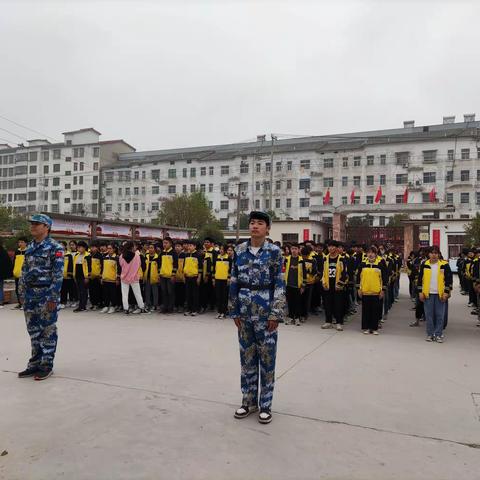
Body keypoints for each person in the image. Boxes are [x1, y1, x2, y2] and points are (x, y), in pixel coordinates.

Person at [230, 211, 285, 424]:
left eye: (260, 223)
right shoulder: (239, 250)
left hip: (266, 313)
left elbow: (279, 284)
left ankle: (266, 405)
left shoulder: (274, 252)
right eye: (252, 223)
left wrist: (276, 313)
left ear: (268, 229)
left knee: (267, 360)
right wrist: (233, 310)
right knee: (247, 359)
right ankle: (248, 401)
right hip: (244, 313)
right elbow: (233, 281)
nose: (255, 226)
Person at [17, 214, 64, 380]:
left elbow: (57, 275)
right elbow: (24, 272)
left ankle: (46, 365)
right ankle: (34, 364)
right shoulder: (30, 247)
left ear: (46, 227)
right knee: (33, 331)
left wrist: (52, 298)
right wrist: (21, 293)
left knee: (47, 331)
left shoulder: (55, 247)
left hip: (46, 295)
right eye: (32, 224)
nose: (33, 227)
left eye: (37, 224)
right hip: (30, 296)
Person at [417, 246, 453, 343]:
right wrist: (420, 292)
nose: (434, 255)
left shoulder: (444, 265)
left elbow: (449, 280)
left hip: (440, 294)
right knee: (429, 315)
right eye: (432, 253)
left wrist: (446, 292)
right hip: (428, 294)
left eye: (436, 253)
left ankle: (438, 334)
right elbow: (420, 280)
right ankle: (430, 334)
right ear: (428, 254)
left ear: (439, 254)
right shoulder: (424, 264)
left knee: (440, 315)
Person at [357, 246, 388, 335]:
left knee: (375, 311)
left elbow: (384, 278)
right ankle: (366, 328)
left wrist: (383, 290)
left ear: (375, 254)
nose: (370, 254)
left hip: (376, 292)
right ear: (366, 254)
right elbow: (359, 277)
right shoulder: (362, 264)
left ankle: (374, 328)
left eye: (372, 252)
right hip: (365, 291)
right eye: (369, 252)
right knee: (366, 311)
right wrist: (359, 289)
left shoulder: (380, 264)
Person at [321, 240, 348, 331]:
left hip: (337, 286)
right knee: (327, 304)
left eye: (333, 246)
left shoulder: (341, 259)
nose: (331, 248)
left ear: (336, 248)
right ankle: (328, 321)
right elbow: (323, 272)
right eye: (329, 246)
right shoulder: (325, 258)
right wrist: (324, 283)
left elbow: (344, 273)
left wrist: (340, 284)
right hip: (328, 285)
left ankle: (339, 322)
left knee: (338, 305)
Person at [118, 241, 146, 314]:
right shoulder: (137, 256)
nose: (135, 247)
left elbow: (121, 265)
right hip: (134, 277)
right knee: (138, 294)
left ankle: (126, 309)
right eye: (134, 246)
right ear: (131, 247)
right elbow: (139, 265)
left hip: (124, 277)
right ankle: (142, 307)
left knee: (124, 294)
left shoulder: (121, 256)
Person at [284, 243, 306, 326]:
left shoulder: (301, 260)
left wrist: (303, 285)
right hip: (288, 284)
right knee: (290, 302)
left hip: (298, 285)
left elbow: (304, 273)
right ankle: (290, 317)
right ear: (290, 250)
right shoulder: (287, 259)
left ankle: (297, 318)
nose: (294, 250)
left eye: (295, 249)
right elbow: (284, 271)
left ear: (298, 250)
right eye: (292, 249)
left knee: (298, 302)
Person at [183, 239, 203, 316]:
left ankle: (195, 310)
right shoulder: (186, 255)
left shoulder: (198, 255)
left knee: (195, 294)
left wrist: (199, 277)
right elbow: (185, 266)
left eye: (191, 245)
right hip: (187, 277)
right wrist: (184, 276)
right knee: (188, 294)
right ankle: (189, 309)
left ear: (195, 246)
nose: (189, 247)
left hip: (195, 277)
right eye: (188, 245)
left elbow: (200, 267)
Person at [212, 244, 232, 319]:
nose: (221, 250)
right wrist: (213, 278)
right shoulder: (216, 258)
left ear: (225, 250)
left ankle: (223, 312)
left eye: (222, 249)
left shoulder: (229, 258)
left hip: (225, 280)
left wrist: (229, 278)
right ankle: (219, 312)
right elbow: (214, 269)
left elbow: (230, 270)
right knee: (218, 296)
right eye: (220, 249)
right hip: (217, 279)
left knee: (224, 297)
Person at [159, 237, 178, 314]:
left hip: (170, 276)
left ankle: (171, 308)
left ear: (170, 244)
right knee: (164, 292)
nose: (164, 244)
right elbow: (159, 264)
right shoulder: (162, 253)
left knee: (170, 292)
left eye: (166, 243)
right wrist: (159, 274)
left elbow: (176, 265)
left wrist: (173, 275)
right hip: (163, 276)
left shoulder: (173, 253)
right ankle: (165, 307)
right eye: (164, 243)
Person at [100, 243, 120, 314]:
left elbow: (118, 269)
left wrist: (117, 278)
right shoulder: (104, 257)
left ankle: (113, 306)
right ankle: (106, 306)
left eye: (110, 248)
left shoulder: (117, 258)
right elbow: (102, 268)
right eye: (108, 248)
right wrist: (101, 277)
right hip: (105, 278)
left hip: (113, 280)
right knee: (105, 294)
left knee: (113, 294)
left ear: (114, 249)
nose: (109, 250)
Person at [73, 241, 91, 313]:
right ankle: (80, 305)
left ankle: (83, 306)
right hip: (77, 276)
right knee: (79, 292)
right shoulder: (76, 255)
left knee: (83, 292)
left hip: (84, 276)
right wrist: (74, 275)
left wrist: (87, 277)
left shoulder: (88, 255)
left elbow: (89, 267)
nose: (78, 248)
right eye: (78, 247)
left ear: (84, 248)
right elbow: (75, 266)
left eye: (80, 247)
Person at [12, 237, 28, 309]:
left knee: (24, 289)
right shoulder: (17, 251)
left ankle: (25, 303)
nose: (20, 244)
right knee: (17, 289)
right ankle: (20, 303)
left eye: (22, 242)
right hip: (17, 273)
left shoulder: (28, 251)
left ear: (26, 243)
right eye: (19, 242)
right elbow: (14, 262)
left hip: (25, 274)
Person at [144, 243, 160, 311]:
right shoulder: (146, 256)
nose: (150, 249)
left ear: (155, 249)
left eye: (152, 248)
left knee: (155, 292)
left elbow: (159, 268)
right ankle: (148, 305)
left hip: (154, 277)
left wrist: (159, 276)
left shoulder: (157, 257)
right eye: (149, 248)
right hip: (147, 277)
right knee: (147, 292)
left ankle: (155, 305)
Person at [88, 242, 103, 310]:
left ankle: (97, 304)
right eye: (91, 247)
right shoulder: (89, 256)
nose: (92, 248)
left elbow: (102, 266)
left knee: (97, 291)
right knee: (91, 291)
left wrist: (100, 275)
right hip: (90, 276)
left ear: (97, 248)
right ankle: (93, 303)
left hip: (97, 277)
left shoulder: (100, 256)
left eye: (94, 247)